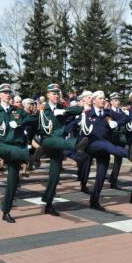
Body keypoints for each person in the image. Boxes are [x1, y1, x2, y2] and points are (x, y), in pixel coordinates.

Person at [0, 83, 38, 223]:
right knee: (27, 155)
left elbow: (32, 118)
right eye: (5, 92)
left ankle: (6, 211)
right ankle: (33, 156)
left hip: (17, 148)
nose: (8, 94)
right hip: (3, 146)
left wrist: (21, 122)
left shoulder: (17, 111)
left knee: (13, 181)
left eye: (9, 92)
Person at [36, 83, 88, 216]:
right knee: (67, 144)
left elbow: (78, 110)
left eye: (58, 93)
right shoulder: (42, 108)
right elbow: (39, 127)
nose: (56, 96)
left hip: (59, 145)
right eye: (53, 93)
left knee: (54, 176)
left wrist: (64, 111)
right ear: (48, 95)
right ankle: (76, 144)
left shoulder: (62, 107)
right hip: (48, 141)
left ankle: (48, 203)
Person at [81, 91, 132, 211]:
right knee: (106, 145)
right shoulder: (87, 113)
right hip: (92, 145)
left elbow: (126, 118)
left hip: (105, 148)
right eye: (100, 98)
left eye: (104, 98)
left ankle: (94, 200)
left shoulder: (108, 113)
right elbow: (81, 129)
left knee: (101, 176)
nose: (103, 100)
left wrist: (115, 123)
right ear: (94, 101)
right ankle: (128, 153)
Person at [108, 92, 127, 190]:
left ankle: (113, 180)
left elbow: (125, 121)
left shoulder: (122, 112)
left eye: (119, 100)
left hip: (120, 138)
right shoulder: (108, 111)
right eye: (115, 100)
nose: (118, 102)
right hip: (110, 138)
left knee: (118, 160)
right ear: (111, 101)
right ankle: (103, 177)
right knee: (105, 160)